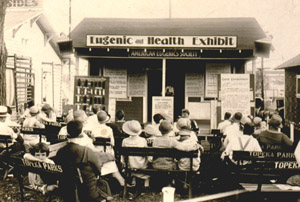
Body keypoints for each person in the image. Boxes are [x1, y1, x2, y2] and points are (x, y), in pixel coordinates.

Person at [55, 120, 114, 202]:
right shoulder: (86, 151)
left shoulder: (60, 152)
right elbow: (98, 170)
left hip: (68, 191)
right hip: (88, 191)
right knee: (104, 184)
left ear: (67, 133)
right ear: (81, 133)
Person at [121, 120, 150, 193]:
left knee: (131, 158)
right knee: (147, 159)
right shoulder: (143, 140)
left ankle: (134, 180)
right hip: (141, 165)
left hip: (130, 165)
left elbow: (123, 155)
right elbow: (146, 153)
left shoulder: (125, 141)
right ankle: (146, 184)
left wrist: (124, 163)